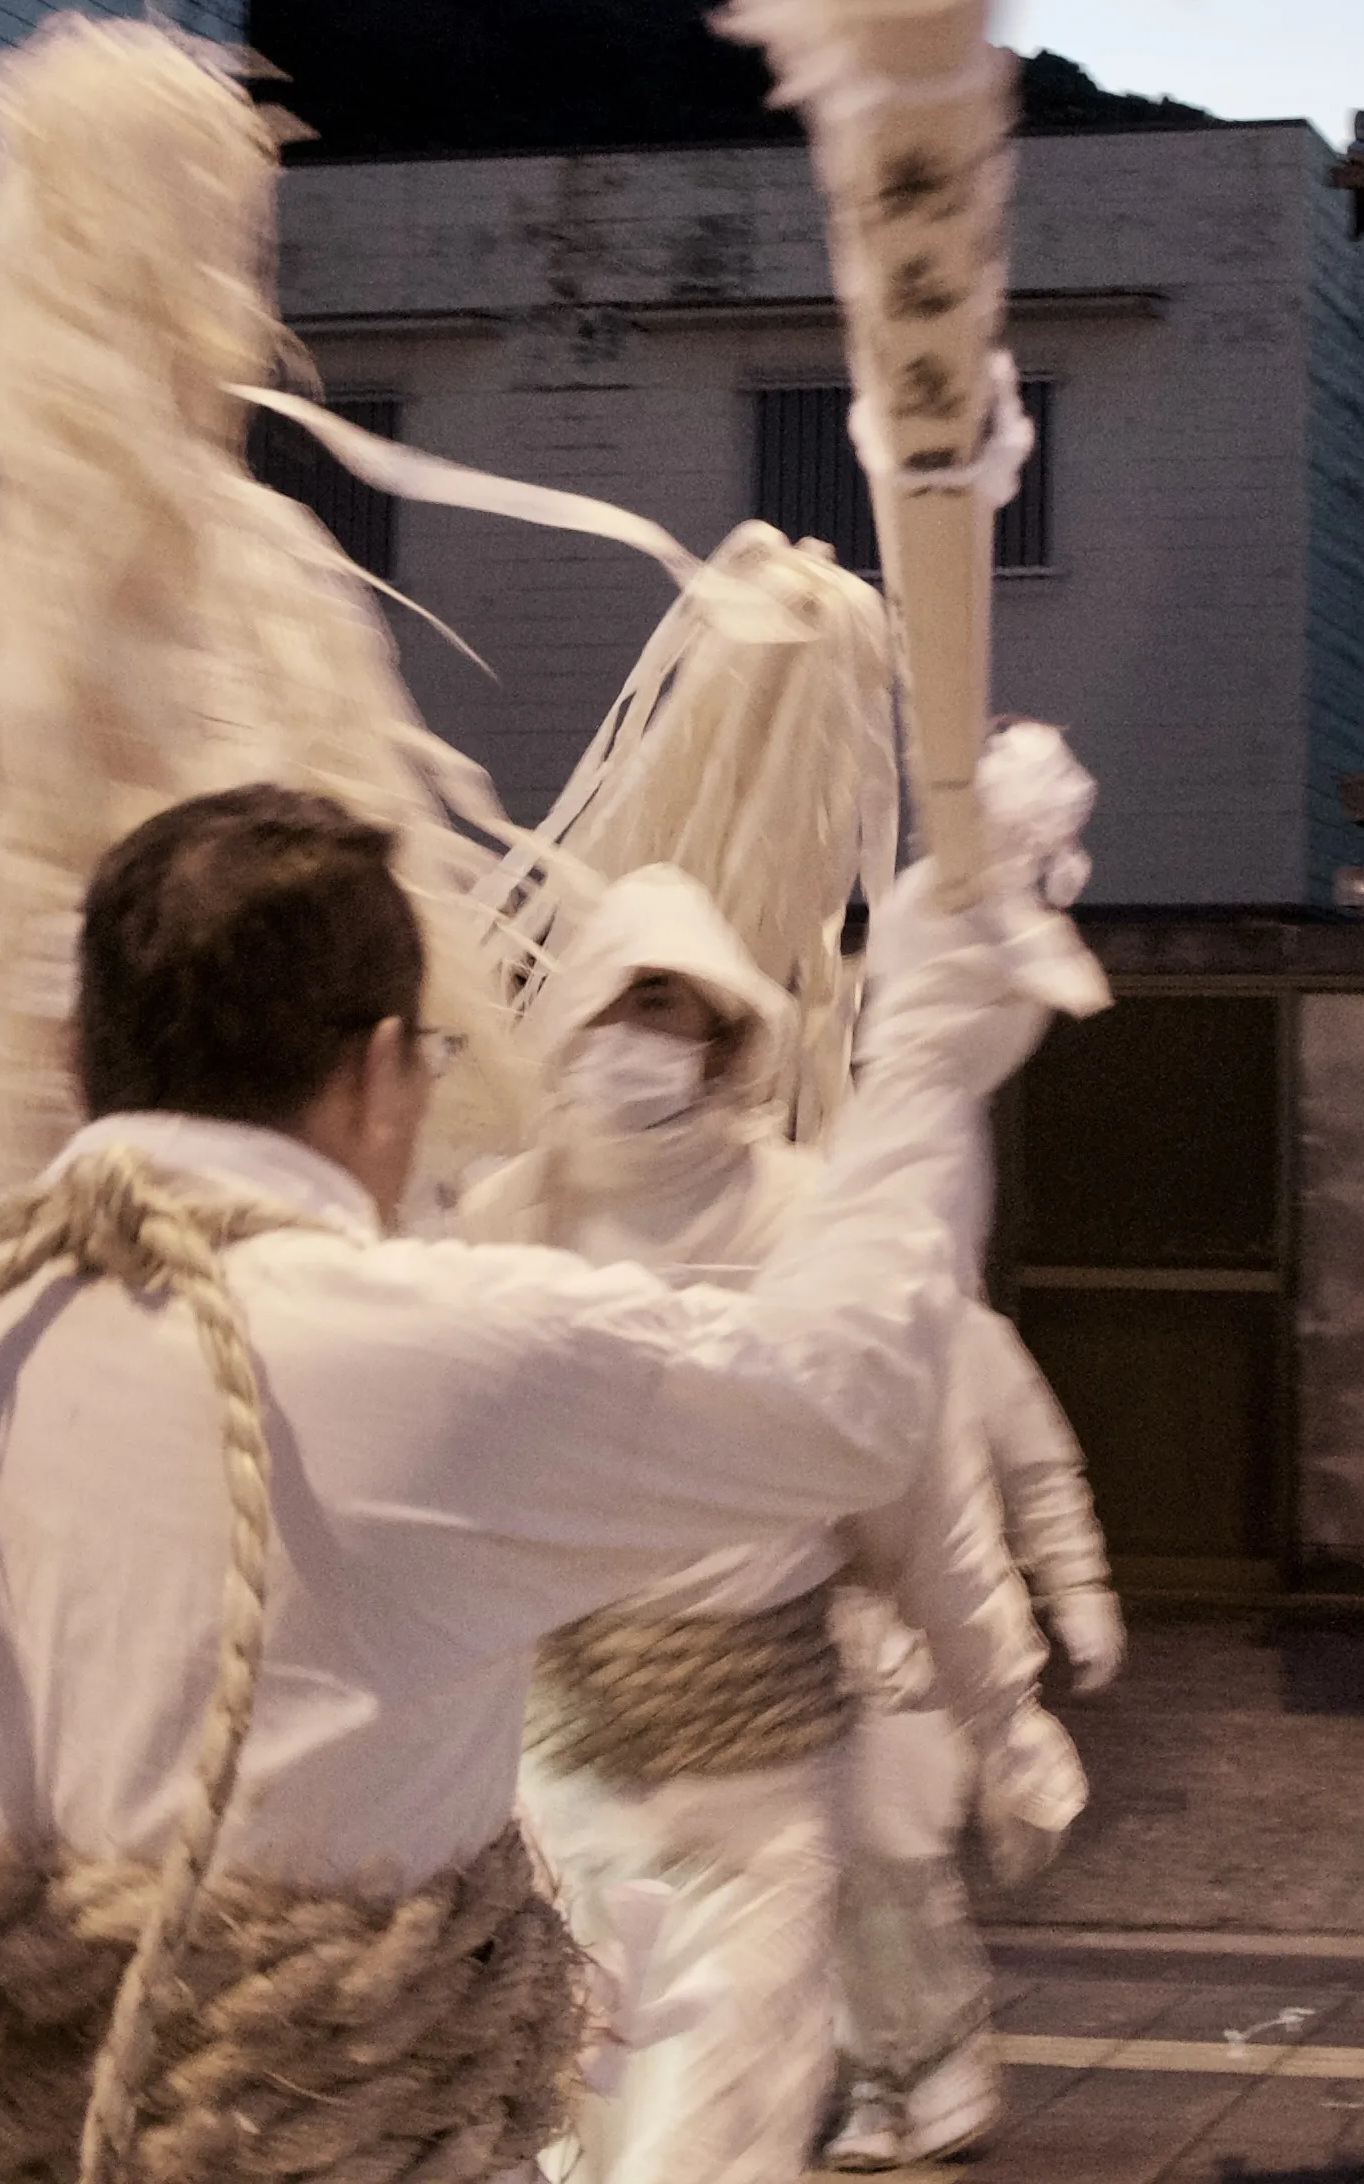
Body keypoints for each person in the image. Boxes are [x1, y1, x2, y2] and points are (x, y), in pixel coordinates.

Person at [0, 770, 1098, 2182]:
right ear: (380, 1073)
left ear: (82, 1056)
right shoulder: (435, 1347)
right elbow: (850, 1398)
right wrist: (925, 1056)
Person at [442, 862, 1053, 2184]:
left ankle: (922, 2065)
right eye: (621, 1005)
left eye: (671, 1010)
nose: (637, 1042)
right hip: (553, 1793)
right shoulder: (505, 1217)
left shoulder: (805, 1217)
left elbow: (923, 1490)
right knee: (558, 2140)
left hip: (757, 1792)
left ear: (726, 1036)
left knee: (707, 2144)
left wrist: (1003, 1713)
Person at [824, 1299, 1118, 2170]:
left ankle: (942, 2054)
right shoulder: (800, 1320)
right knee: (832, 1881)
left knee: (898, 1859)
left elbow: (1039, 1472)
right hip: (809, 1649)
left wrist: (1080, 1590)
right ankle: (877, 2075)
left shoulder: (964, 1334)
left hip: (929, 1646)